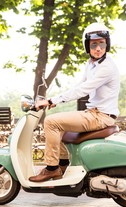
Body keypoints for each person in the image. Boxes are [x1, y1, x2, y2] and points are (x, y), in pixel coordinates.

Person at [29, 22, 120, 182]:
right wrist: (53, 101)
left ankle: (51, 168)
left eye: (101, 44)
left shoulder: (107, 67)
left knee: (50, 122)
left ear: (107, 44)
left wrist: (51, 100)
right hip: (93, 113)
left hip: (100, 116)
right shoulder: (91, 64)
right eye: (94, 44)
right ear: (88, 46)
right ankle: (62, 165)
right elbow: (79, 85)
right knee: (60, 126)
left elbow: (83, 90)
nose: (98, 48)